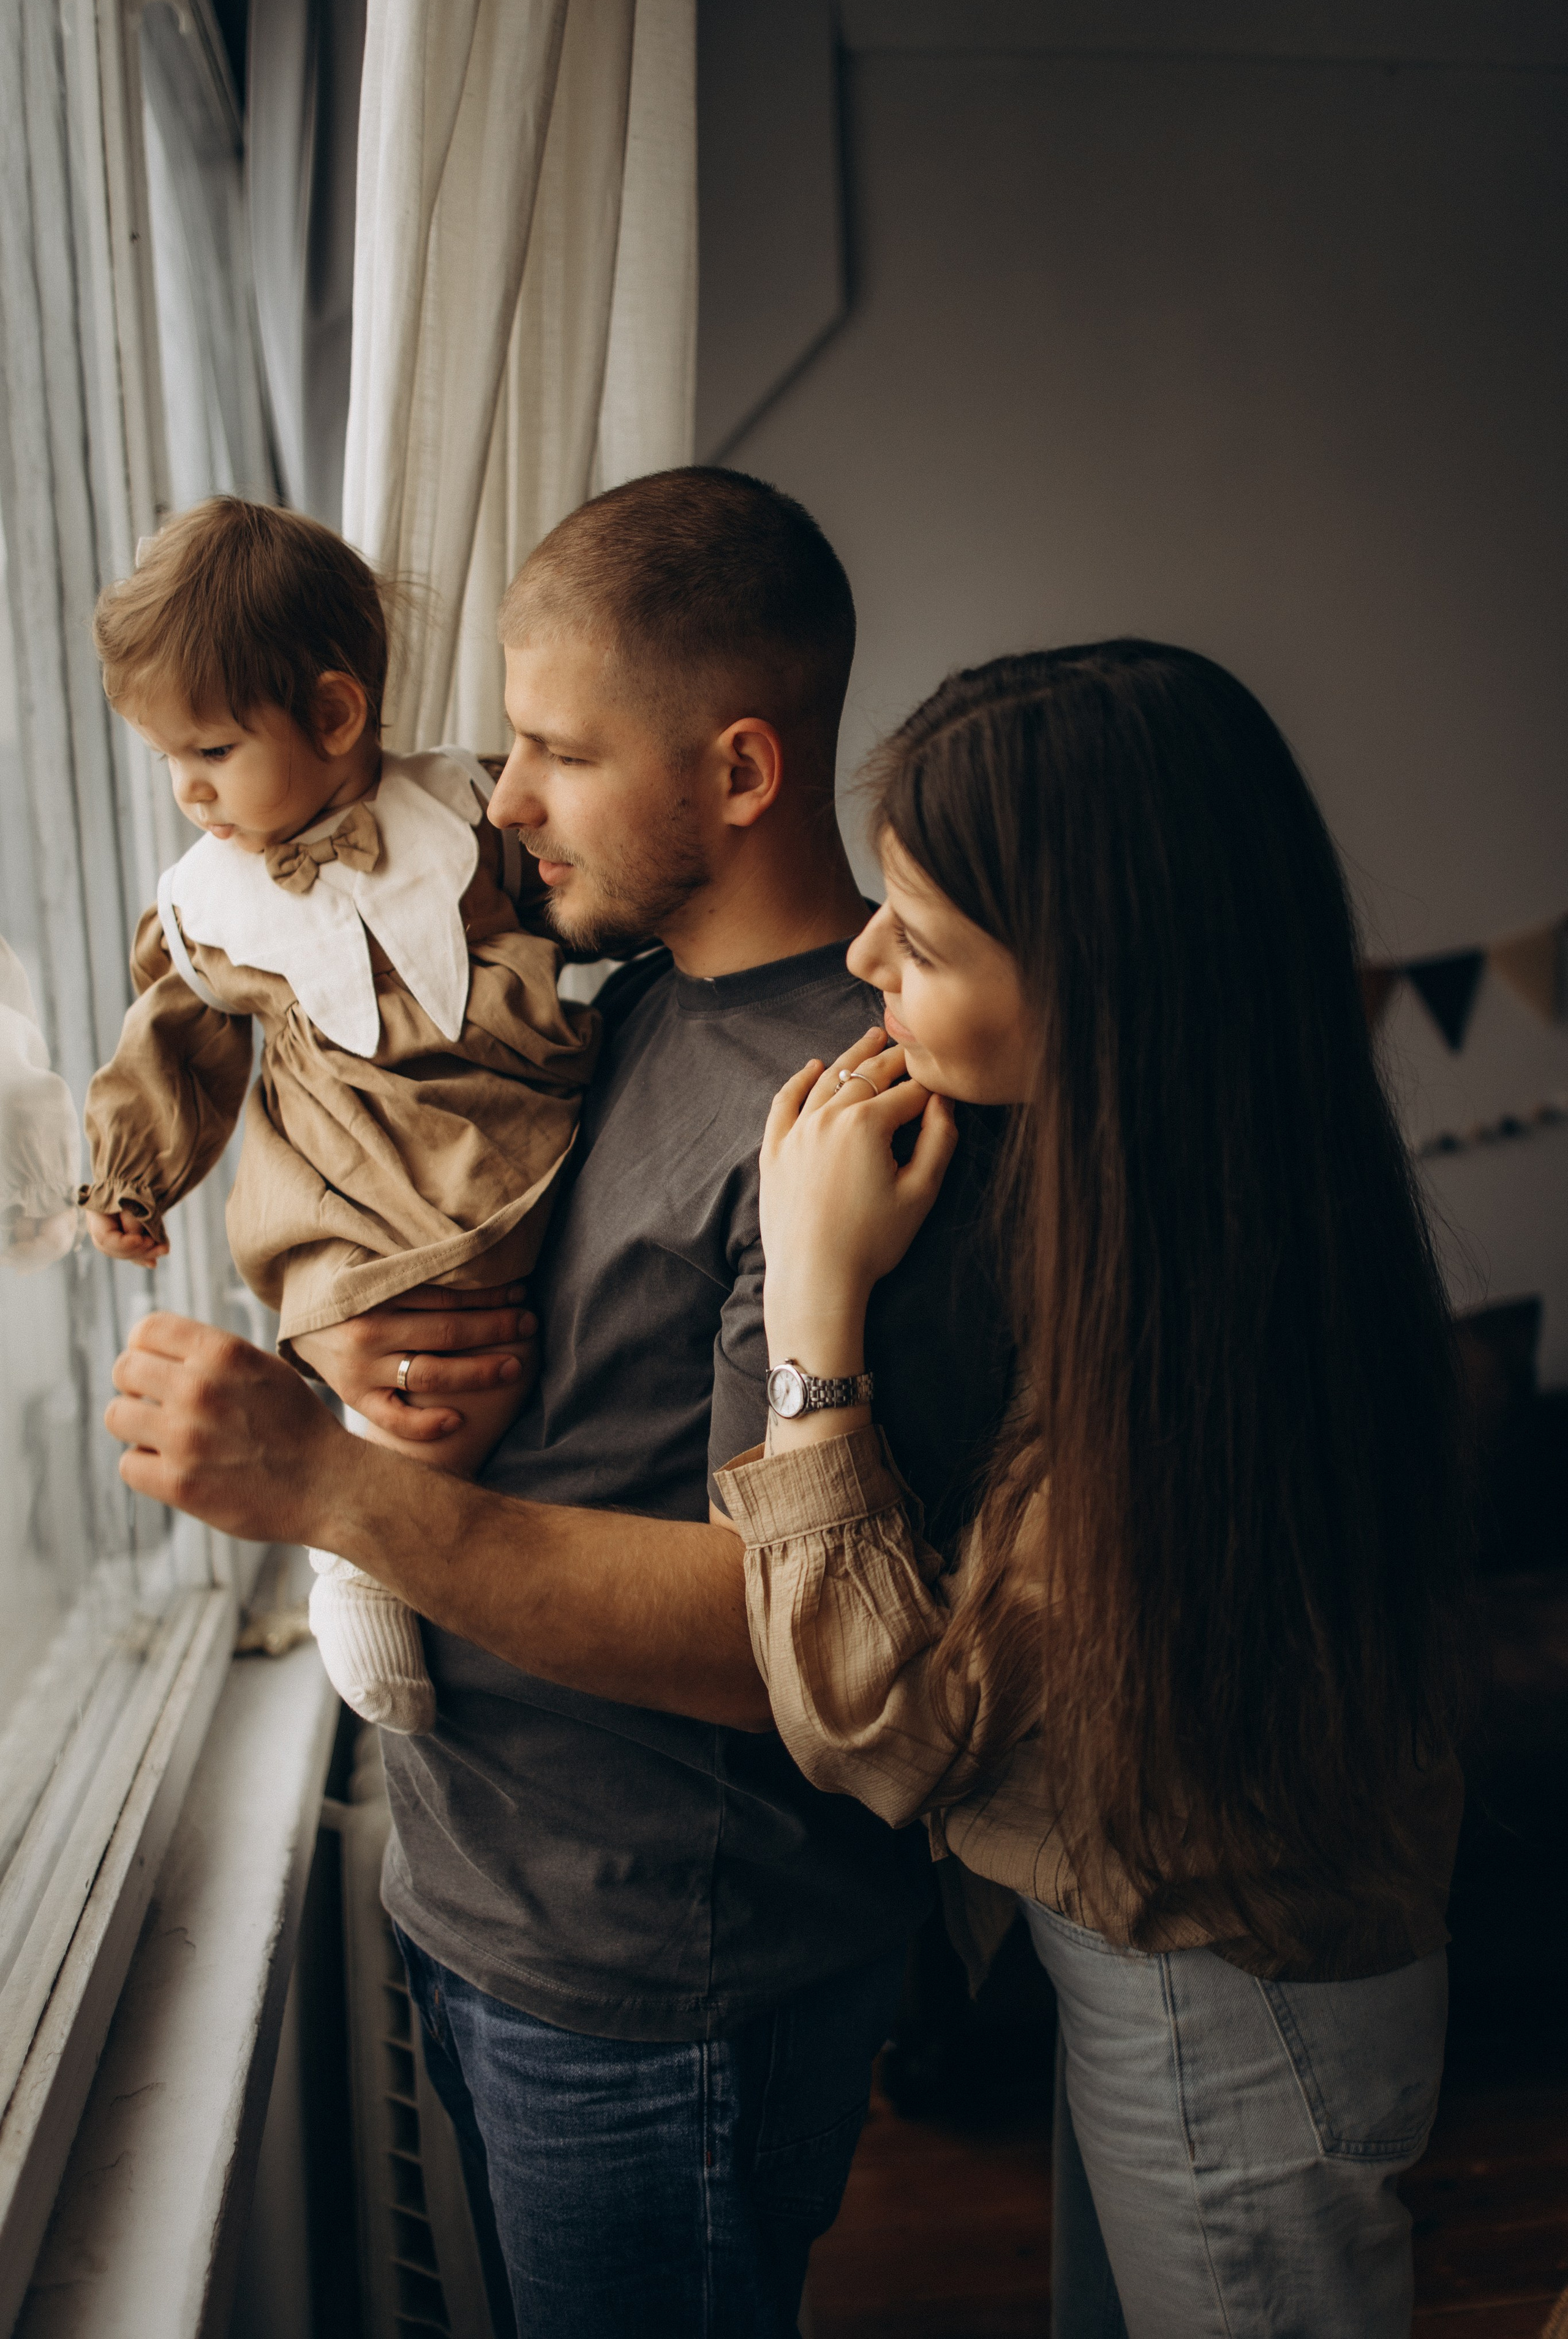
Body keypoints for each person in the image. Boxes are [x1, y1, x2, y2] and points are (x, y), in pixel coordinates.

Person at [107, 468, 1011, 2339]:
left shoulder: (860, 1112)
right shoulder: (604, 1004)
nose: (497, 799)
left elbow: (792, 1636)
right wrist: (343, 1357)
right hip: (491, 1899)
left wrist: (322, 1491)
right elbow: (433, 1227)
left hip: (665, 1976)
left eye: (552, 752)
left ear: (740, 774)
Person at [715, 642, 1469, 2337]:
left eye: (917, 938)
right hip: (1195, 1964)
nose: (857, 959)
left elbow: (886, 1730)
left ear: (1093, 982)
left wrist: (811, 1307)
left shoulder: (1209, 1317)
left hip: (1234, 1999)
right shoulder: (1212, 1193)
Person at [80, 498, 599, 1734]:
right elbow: (179, 1039)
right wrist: (132, 1175)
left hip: (496, 1109)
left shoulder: (472, 811)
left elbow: (591, 907)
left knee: (488, 1335)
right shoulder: (209, 905)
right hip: (350, 1157)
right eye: (167, 760)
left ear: (332, 715)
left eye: (207, 750)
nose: (187, 791)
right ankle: (354, 1556)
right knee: (412, 1333)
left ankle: (393, 1523)